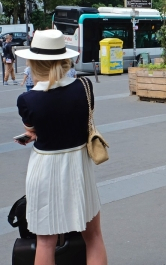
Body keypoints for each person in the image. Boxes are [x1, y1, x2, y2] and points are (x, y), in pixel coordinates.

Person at [14, 30, 107, 265]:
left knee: (46, 242)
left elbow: (32, 129)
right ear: (64, 59)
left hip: (45, 168)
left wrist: (32, 134)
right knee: (93, 236)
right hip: (79, 166)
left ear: (34, 62)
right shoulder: (84, 87)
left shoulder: (27, 101)